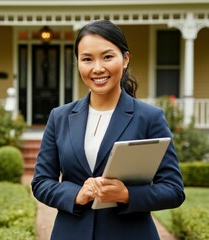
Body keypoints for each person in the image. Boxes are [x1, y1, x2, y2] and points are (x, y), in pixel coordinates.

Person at [31, 19, 185, 240]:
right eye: (87, 59)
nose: (97, 68)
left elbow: (173, 190)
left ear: (125, 59)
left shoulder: (149, 118)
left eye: (107, 56)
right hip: (71, 233)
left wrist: (127, 194)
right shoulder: (60, 117)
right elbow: (41, 182)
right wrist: (76, 194)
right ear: (78, 63)